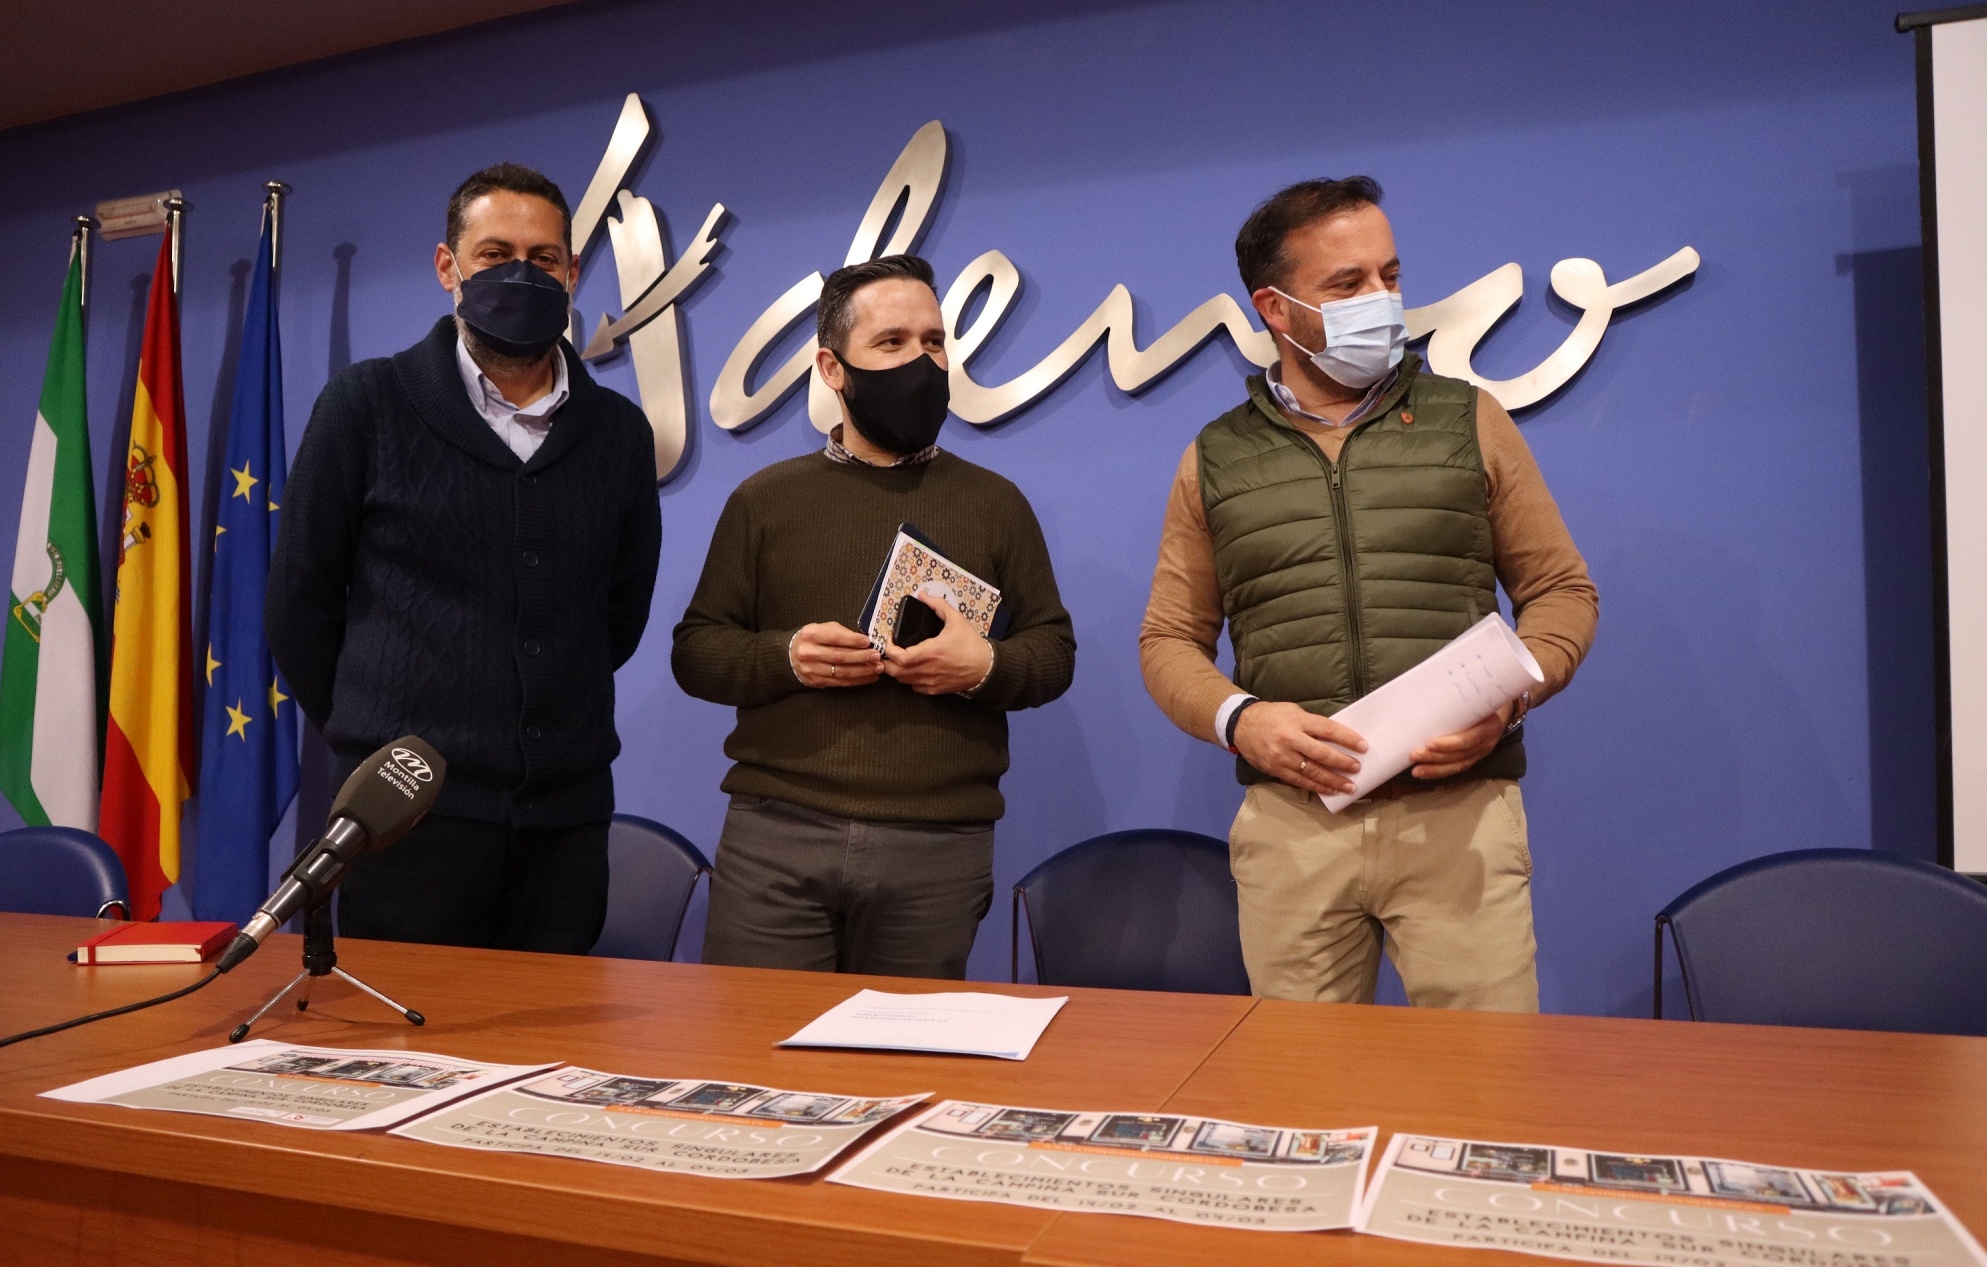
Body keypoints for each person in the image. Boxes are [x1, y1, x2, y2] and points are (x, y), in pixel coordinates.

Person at [1139, 177, 1598, 1011]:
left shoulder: (1472, 420)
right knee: (1301, 1101)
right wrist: (1244, 721)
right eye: (1347, 285)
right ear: (1275, 310)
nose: (1382, 301)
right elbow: (1168, 641)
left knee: (1489, 1091)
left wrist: (1513, 698)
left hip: (1460, 820)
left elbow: (1562, 592)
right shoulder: (1215, 458)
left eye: (1390, 276)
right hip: (1294, 829)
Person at [268, 163, 662, 953]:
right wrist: (379, 731)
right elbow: (299, 606)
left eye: (544, 258)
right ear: (448, 268)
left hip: (566, 824)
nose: (521, 273)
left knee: (548, 1062)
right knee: (406, 1058)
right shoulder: (365, 406)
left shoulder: (619, 432)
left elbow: (616, 617)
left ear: (573, 273)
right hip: (408, 822)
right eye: (493, 254)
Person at [673, 253, 1075, 979]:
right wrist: (785, 655)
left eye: (933, 341)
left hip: (938, 846)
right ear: (833, 368)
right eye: (891, 343)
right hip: (775, 834)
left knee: (906, 1072)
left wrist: (984, 666)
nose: (921, 361)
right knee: (745, 1059)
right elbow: (697, 650)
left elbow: (1053, 652)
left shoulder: (997, 503)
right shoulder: (765, 500)